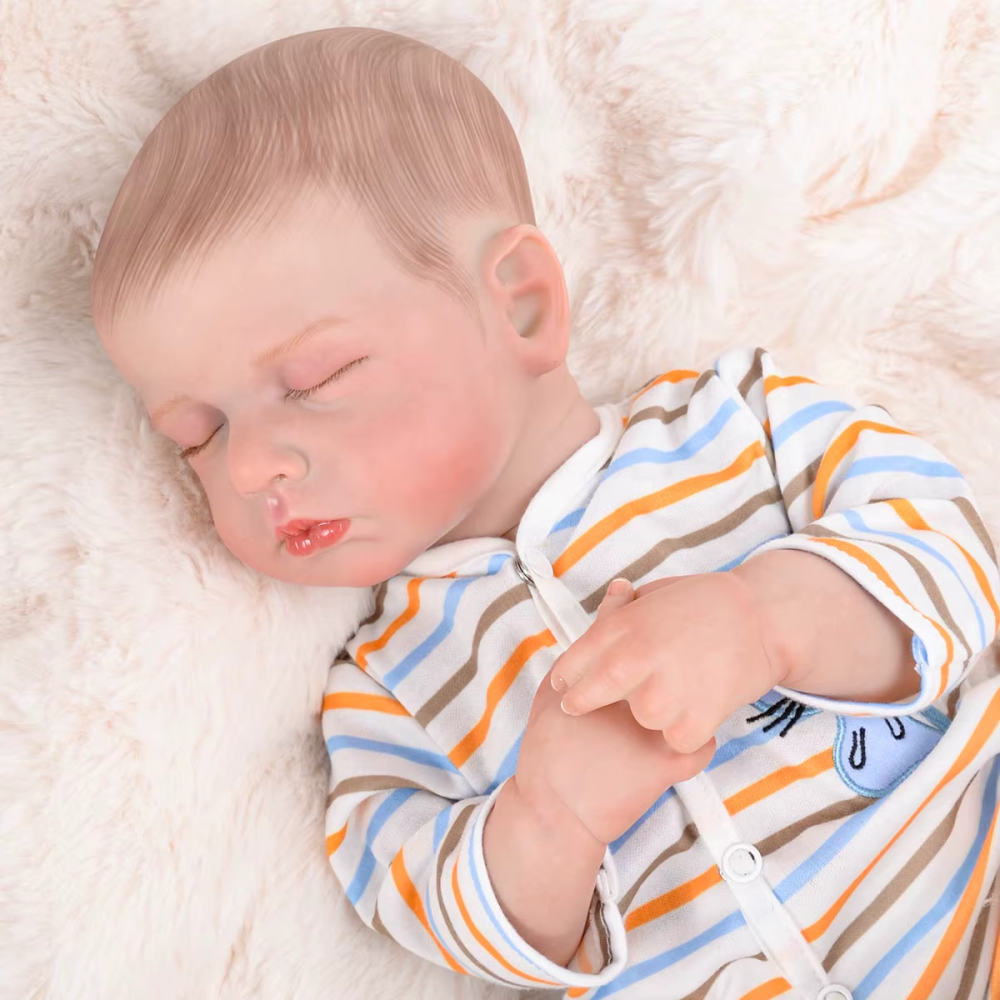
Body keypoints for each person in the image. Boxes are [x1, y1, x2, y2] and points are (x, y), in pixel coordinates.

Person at [90, 26, 1000, 999]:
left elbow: (948, 549)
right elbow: (418, 894)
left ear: (520, 306)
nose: (248, 464)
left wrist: (767, 620)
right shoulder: (387, 685)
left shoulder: (739, 423)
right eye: (199, 435)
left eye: (314, 377)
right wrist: (550, 819)